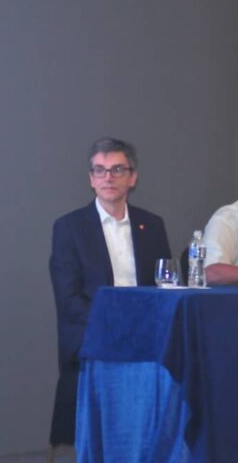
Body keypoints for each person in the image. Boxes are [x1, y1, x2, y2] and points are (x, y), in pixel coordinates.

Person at [48, 138, 171, 446]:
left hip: (144, 336)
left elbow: (164, 286)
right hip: (93, 338)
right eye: (99, 170)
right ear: (91, 179)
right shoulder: (69, 228)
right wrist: (116, 326)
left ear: (132, 178)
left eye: (117, 169)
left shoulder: (152, 225)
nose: (108, 177)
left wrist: (139, 328)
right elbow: (68, 298)